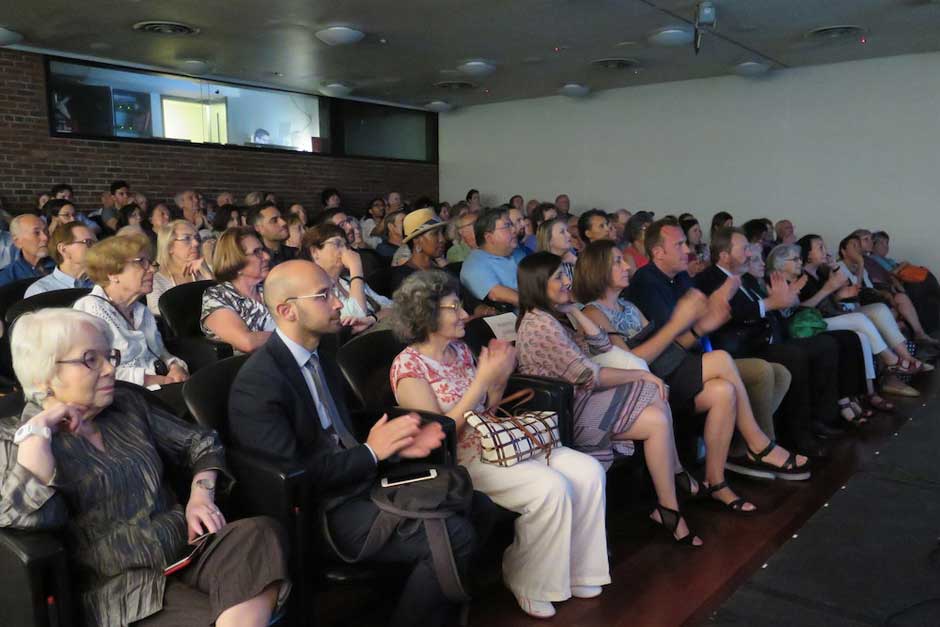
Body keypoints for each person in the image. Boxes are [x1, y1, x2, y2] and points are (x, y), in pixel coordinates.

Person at [228, 260, 483, 627]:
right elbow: (295, 478)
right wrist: (373, 452)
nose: (338, 303)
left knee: (477, 502)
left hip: (358, 482)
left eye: (334, 291)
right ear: (287, 310)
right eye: (324, 295)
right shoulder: (259, 384)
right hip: (321, 511)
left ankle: (417, 602)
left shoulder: (321, 355)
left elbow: (342, 430)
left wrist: (398, 442)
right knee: (454, 534)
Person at [0, 308, 290, 627]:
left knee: (260, 533)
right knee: (228, 606)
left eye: (109, 356)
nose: (111, 368)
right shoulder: (14, 440)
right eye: (90, 360)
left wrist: (201, 494)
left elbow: (201, 442)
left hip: (189, 549)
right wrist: (37, 442)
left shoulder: (127, 404)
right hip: (127, 588)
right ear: (44, 375)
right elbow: (28, 524)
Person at [390, 270, 610, 618]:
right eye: (453, 307)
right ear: (425, 314)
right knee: (549, 487)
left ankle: (580, 568)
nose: (464, 314)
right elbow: (441, 434)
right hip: (463, 462)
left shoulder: (460, 351)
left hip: (501, 442)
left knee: (588, 471)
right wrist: (481, 382)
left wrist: (498, 381)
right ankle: (526, 576)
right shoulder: (408, 366)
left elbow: (489, 410)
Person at [515, 252, 707, 548]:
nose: (568, 280)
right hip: (565, 415)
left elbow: (601, 344)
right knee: (654, 409)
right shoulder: (539, 324)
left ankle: (670, 505)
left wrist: (575, 309)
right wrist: (640, 376)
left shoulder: (554, 316)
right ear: (538, 284)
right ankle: (671, 503)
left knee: (656, 403)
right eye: (559, 277)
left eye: (567, 274)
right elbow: (589, 375)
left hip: (581, 400)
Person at [575, 239, 798, 482]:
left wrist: (698, 327)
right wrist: (677, 324)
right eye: (617, 262)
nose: (627, 266)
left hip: (663, 370)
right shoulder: (592, 312)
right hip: (639, 385)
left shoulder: (628, 306)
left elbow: (664, 348)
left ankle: (716, 480)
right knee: (722, 358)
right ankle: (757, 443)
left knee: (723, 390)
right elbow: (630, 362)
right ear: (597, 270)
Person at [630, 219, 811, 468]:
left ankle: (741, 446)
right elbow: (669, 345)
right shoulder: (646, 282)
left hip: (694, 359)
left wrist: (711, 313)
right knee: (757, 371)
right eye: (680, 244)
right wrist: (700, 324)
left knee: (780, 373)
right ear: (658, 252)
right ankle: (759, 446)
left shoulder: (681, 278)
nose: (688, 250)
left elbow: (702, 320)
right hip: (670, 368)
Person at [695, 227, 850, 454]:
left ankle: (823, 416)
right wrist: (771, 303)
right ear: (724, 255)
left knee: (825, 344)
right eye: (745, 249)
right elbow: (729, 315)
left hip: (763, 341)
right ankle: (798, 435)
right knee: (794, 356)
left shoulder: (743, 279)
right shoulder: (709, 279)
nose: (749, 254)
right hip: (741, 349)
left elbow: (770, 308)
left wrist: (782, 301)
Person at [796, 234, 925, 399]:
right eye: (820, 248)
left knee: (879, 308)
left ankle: (907, 357)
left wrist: (837, 287)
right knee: (860, 320)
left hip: (834, 314)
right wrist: (828, 290)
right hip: (817, 322)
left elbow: (835, 296)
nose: (825, 251)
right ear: (807, 254)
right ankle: (892, 362)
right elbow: (801, 310)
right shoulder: (800, 277)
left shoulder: (821, 272)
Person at [72, 233, 190, 412]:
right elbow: (90, 370)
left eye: (150, 263)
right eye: (141, 262)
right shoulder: (89, 310)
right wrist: (153, 379)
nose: (151, 269)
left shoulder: (141, 310)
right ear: (112, 273)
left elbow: (160, 354)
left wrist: (175, 367)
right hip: (121, 400)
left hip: (160, 388)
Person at [764, 244, 878, 422]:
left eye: (799, 258)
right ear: (779, 265)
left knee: (852, 337)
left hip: (810, 324)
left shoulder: (802, 279)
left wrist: (834, 290)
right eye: (794, 259)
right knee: (836, 340)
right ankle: (843, 402)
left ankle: (853, 395)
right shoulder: (774, 283)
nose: (799, 262)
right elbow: (790, 313)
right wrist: (827, 289)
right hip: (796, 331)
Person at [839, 234, 939, 349]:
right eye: (854, 245)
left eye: (858, 245)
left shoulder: (862, 266)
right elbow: (858, 288)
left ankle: (920, 334)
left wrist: (886, 294)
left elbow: (871, 288)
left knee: (901, 298)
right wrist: (861, 263)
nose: (858, 248)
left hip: (875, 298)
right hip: (858, 305)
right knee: (892, 316)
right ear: (844, 251)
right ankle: (902, 355)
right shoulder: (840, 267)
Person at [303, 224, 391, 335]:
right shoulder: (315, 287)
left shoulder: (347, 281)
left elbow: (392, 307)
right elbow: (357, 315)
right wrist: (356, 267)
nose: (345, 251)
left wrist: (372, 319)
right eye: (337, 244)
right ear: (315, 252)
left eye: (346, 246)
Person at [201, 227, 275, 353]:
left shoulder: (270, 288)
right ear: (235, 262)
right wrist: (296, 335)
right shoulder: (218, 296)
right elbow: (247, 342)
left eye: (263, 250)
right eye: (257, 252)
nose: (267, 256)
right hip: (250, 368)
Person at [147, 220, 214, 315]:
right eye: (187, 238)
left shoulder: (206, 269)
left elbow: (225, 303)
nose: (196, 243)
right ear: (170, 247)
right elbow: (159, 313)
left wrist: (208, 275)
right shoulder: (156, 281)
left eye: (197, 238)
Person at [460, 208, 519, 308]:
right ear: (489, 238)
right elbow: (497, 294)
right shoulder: (474, 264)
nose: (514, 230)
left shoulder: (519, 252)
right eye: (507, 226)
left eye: (511, 225)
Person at [24, 222, 96, 298]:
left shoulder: (105, 284)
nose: (97, 247)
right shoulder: (40, 291)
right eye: (88, 242)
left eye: (98, 243)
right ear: (63, 249)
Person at [391, 208, 449, 293]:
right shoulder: (403, 279)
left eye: (442, 233)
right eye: (435, 234)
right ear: (417, 240)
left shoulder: (443, 273)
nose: (442, 239)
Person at [0, 214, 54, 286]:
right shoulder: (7, 278)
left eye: (46, 231)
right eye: (36, 233)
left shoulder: (63, 263)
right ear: (18, 242)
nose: (45, 238)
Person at [248, 202, 296, 267]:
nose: (283, 223)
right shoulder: (257, 261)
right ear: (258, 228)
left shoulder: (296, 254)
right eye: (274, 221)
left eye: (282, 218)